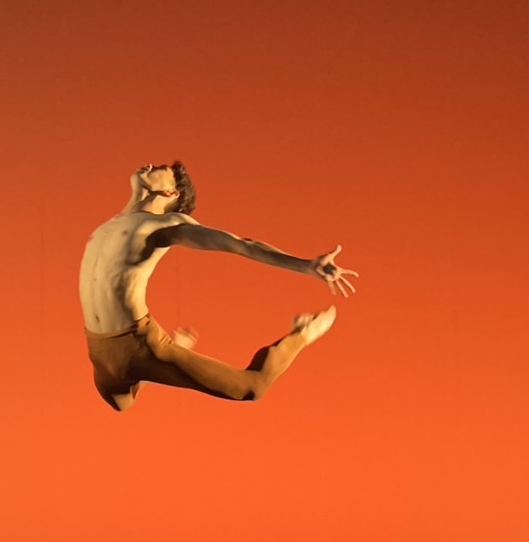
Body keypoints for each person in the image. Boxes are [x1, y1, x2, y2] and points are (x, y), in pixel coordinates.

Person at [79, 161, 357, 411]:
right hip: (99, 352)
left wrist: (305, 265)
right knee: (121, 404)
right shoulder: (108, 225)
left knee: (252, 386)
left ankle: (302, 335)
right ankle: (160, 363)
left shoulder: (165, 225)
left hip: (139, 344)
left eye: (162, 168)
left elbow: (241, 245)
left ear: (171, 193)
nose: (151, 164)